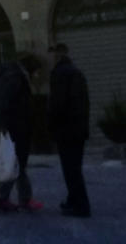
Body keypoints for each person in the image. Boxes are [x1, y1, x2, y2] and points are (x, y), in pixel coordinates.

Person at [0, 55, 43, 213]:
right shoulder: (17, 80)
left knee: (17, 165)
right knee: (15, 164)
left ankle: (20, 198)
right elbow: (7, 103)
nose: (38, 75)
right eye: (37, 71)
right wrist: (6, 125)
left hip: (16, 127)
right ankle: (6, 199)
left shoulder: (15, 78)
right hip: (16, 129)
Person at [48, 43, 91, 218]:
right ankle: (73, 200)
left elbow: (58, 104)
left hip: (67, 129)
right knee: (75, 168)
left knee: (71, 169)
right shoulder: (76, 72)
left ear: (57, 55)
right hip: (78, 127)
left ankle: (81, 206)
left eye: (51, 53)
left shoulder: (60, 74)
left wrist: (52, 125)